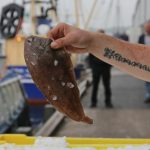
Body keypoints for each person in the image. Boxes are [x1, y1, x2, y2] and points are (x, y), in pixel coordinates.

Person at [48, 22, 150, 83]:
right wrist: (91, 42)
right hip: (97, 68)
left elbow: (141, 59)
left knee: (104, 86)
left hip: (103, 69)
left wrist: (91, 42)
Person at [88, 29, 112, 108]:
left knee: (107, 86)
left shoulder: (108, 44)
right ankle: (93, 102)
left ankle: (108, 102)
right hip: (96, 68)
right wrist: (92, 67)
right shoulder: (93, 44)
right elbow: (90, 57)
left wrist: (109, 66)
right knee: (95, 86)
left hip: (105, 68)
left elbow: (111, 57)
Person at [138, 21, 150, 103]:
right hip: (146, 61)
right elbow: (138, 48)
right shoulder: (141, 37)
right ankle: (148, 95)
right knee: (147, 79)